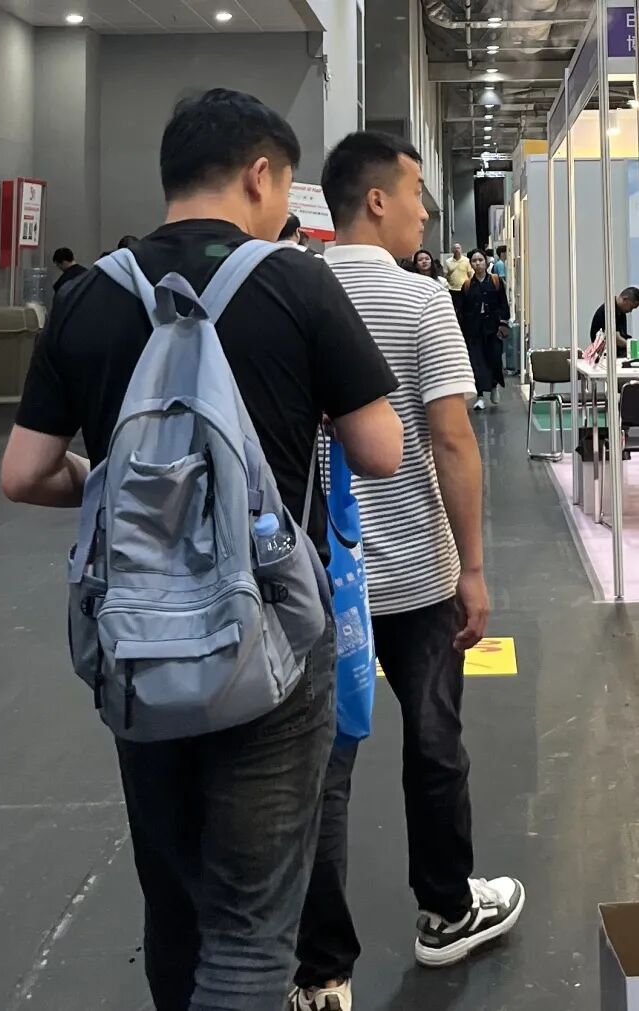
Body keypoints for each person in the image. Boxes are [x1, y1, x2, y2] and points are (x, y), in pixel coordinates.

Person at [1, 88, 403, 1011]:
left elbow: (24, 473)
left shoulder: (88, 294)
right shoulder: (298, 283)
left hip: (138, 640)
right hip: (270, 633)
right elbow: (381, 449)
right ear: (259, 174)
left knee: (175, 907)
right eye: (284, 188)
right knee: (252, 924)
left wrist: (113, 484)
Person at [289, 131, 524, 1011]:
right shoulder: (422, 300)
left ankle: (322, 971)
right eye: (416, 190)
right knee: (433, 743)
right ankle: (445, 909)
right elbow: (452, 440)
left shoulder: (291, 292)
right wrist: (473, 566)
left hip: (318, 576)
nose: (425, 209)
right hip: (419, 573)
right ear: (376, 199)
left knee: (321, 767)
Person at [460, 248, 510, 411]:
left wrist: (503, 323)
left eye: (480, 260)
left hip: (493, 328)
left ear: (486, 262)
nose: (477, 263)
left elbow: (503, 304)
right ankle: (480, 395)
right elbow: (463, 309)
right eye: (474, 261)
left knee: (494, 358)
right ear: (470, 264)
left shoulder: (495, 281)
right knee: (477, 362)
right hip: (474, 329)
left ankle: (494, 386)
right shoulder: (467, 285)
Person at [590, 287, 639, 357]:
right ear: (625, 299)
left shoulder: (621, 311)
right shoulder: (609, 310)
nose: (630, 311)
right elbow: (616, 339)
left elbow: (622, 335)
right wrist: (632, 346)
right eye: (631, 307)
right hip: (606, 353)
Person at [445, 242, 472, 317]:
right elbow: (445, 275)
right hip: (452, 289)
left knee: (464, 308)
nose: (457, 250)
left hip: (464, 288)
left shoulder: (467, 260)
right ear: (452, 250)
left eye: (458, 248)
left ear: (461, 249)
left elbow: (470, 274)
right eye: (455, 248)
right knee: (453, 309)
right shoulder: (448, 261)